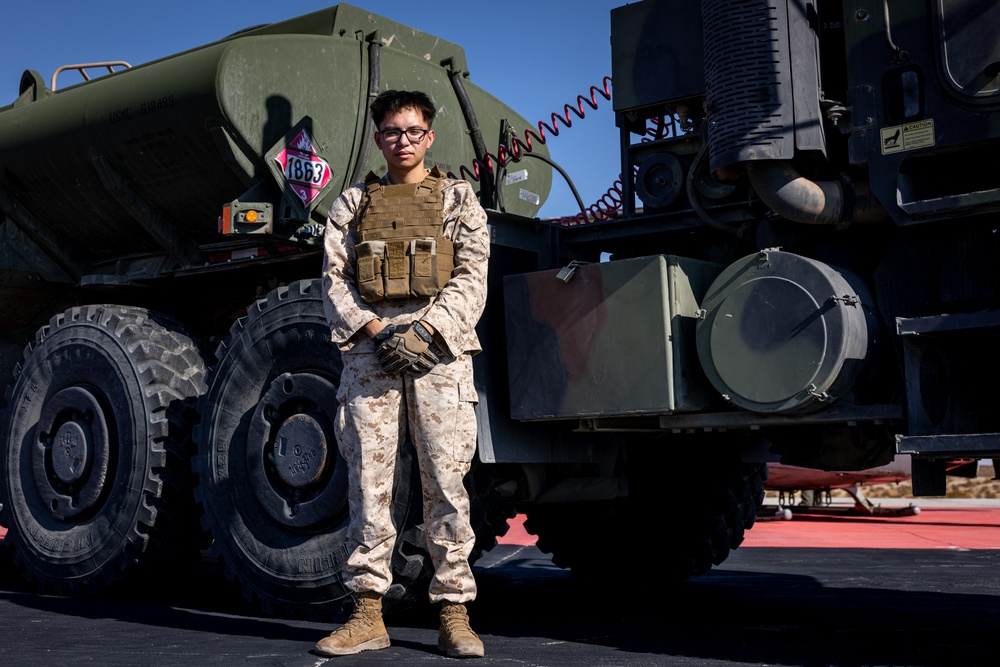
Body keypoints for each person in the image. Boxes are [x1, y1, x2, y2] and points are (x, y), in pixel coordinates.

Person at [316, 89, 490, 659]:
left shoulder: (459, 200)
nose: (404, 141)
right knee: (369, 482)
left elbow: (472, 275)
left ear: (431, 136)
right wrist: (374, 330)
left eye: (414, 132)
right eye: (393, 132)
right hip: (371, 355)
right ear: (377, 137)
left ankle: (454, 614)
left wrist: (427, 331)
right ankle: (367, 613)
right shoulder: (349, 205)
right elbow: (334, 280)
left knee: (446, 481)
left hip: (440, 354)